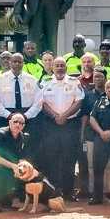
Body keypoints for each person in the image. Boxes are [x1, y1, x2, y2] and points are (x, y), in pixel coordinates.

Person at [39, 57, 84, 197]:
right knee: (51, 157)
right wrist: (55, 116)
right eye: (57, 65)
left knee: (69, 158)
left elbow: (79, 101)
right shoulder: (44, 82)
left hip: (69, 125)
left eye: (62, 65)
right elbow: (42, 102)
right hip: (50, 125)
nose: (59, 68)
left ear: (66, 68)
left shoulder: (74, 82)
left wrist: (64, 115)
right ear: (52, 67)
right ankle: (53, 191)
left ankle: (68, 192)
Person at [0, 53, 43, 131]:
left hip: (28, 118)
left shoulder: (32, 80)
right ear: (10, 63)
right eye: (14, 61)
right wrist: (9, 115)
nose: (17, 64)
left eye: (19, 62)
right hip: (5, 118)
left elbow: (38, 102)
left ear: (23, 63)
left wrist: (26, 116)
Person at [79, 66, 107, 199]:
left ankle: (106, 192)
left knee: (106, 165)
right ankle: (92, 191)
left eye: (100, 76)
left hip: (106, 134)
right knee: (90, 164)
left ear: (105, 79)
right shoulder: (88, 95)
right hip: (91, 134)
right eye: (95, 76)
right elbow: (84, 115)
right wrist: (83, 132)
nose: (97, 79)